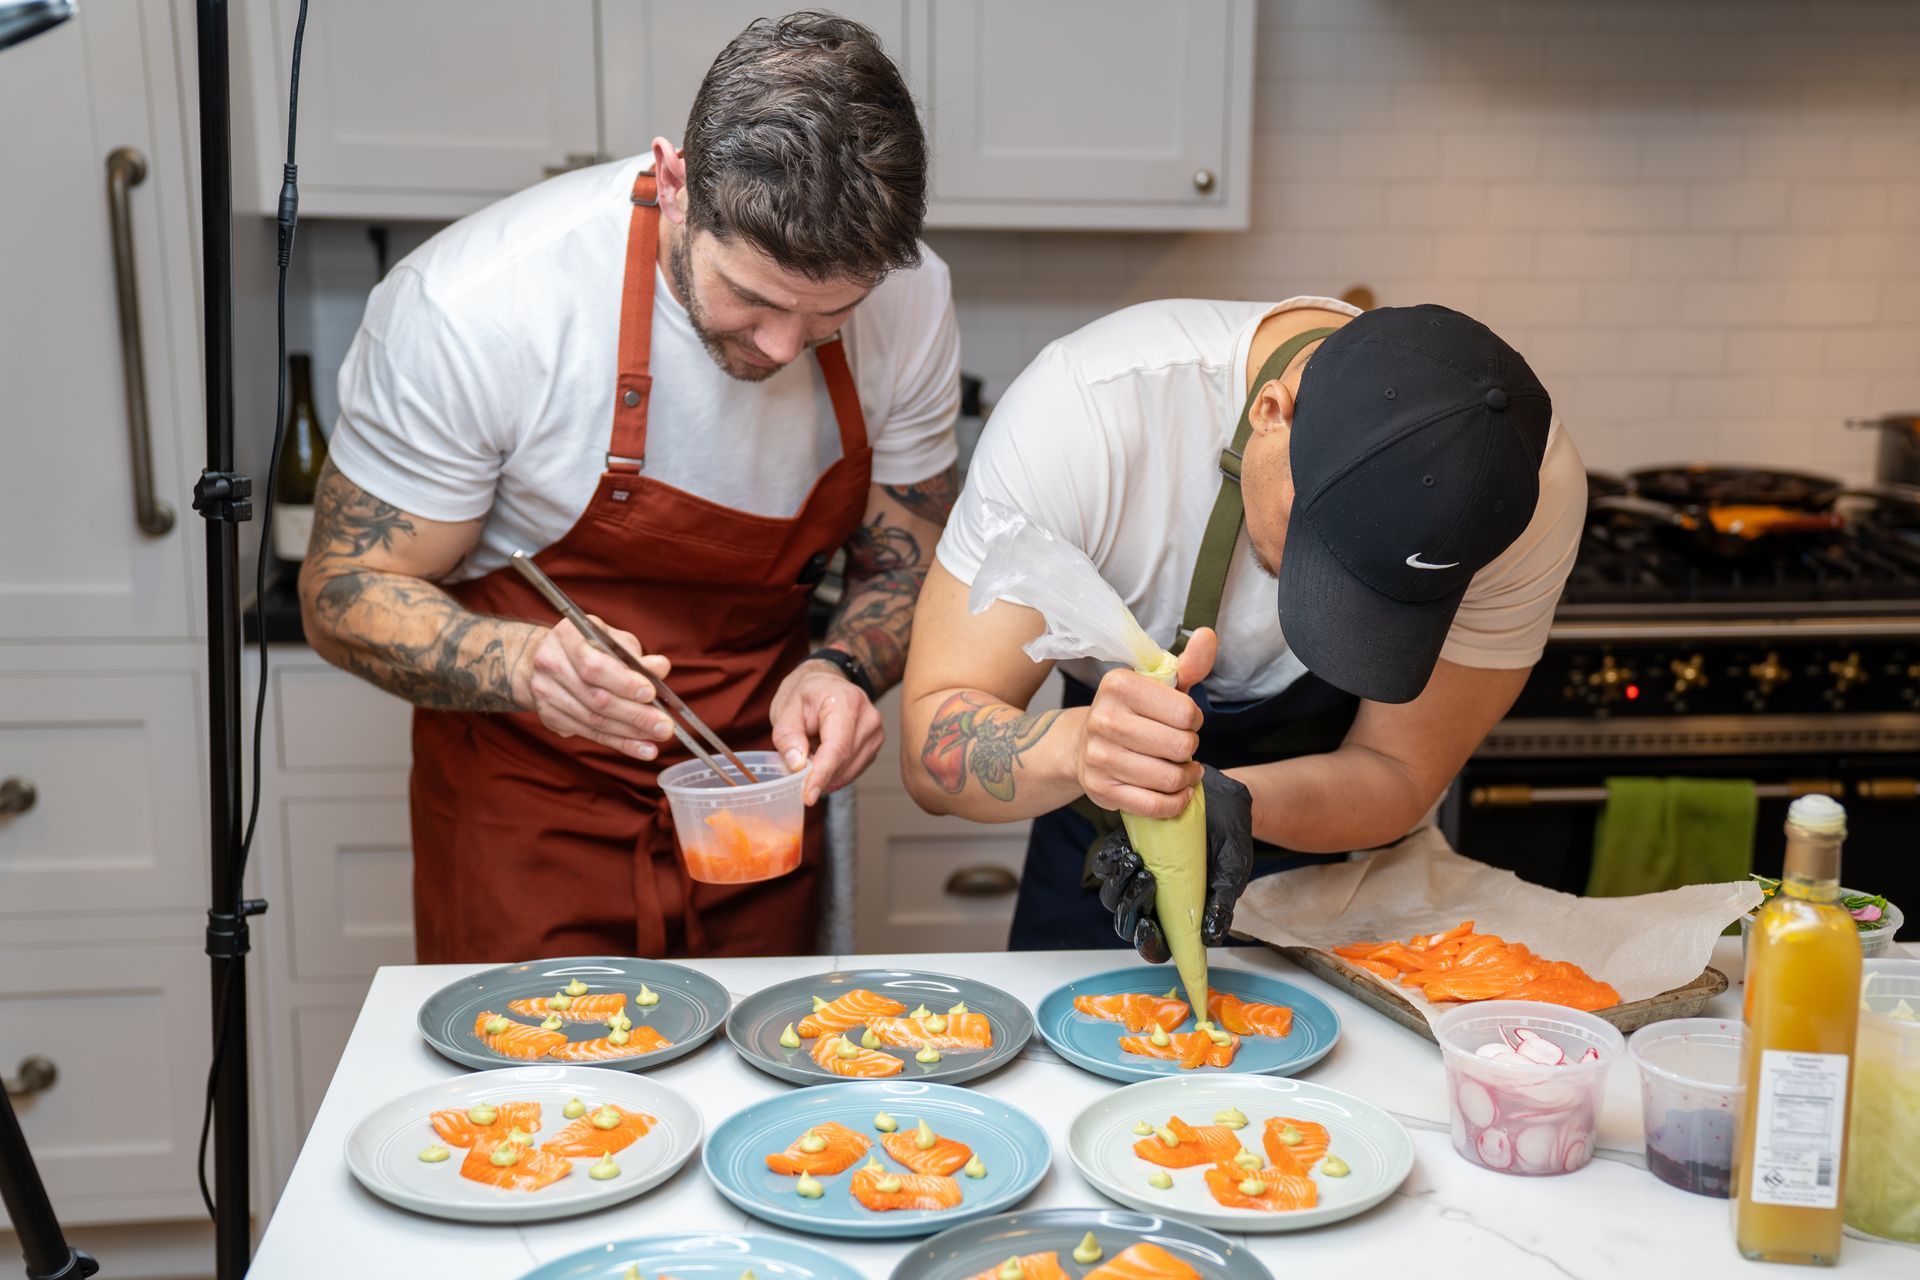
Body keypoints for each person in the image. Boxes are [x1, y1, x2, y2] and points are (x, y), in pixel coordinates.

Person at [299, 12, 960, 962]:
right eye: (756, 298)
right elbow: (340, 593)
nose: (783, 348)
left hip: (755, 804)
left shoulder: (915, 299)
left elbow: (905, 560)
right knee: (531, 1110)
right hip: (527, 813)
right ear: (678, 181)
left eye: (831, 317)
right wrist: (527, 666)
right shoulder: (477, 307)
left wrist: (842, 668)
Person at [899, 298, 1584, 958]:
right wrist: (1082, 750)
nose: (1334, 599)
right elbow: (930, 748)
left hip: (1323, 844)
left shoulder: (1524, 495)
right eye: (1319, 546)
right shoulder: (1089, 413)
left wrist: (1235, 803)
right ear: (1270, 413)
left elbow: (1399, 771)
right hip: (1097, 836)